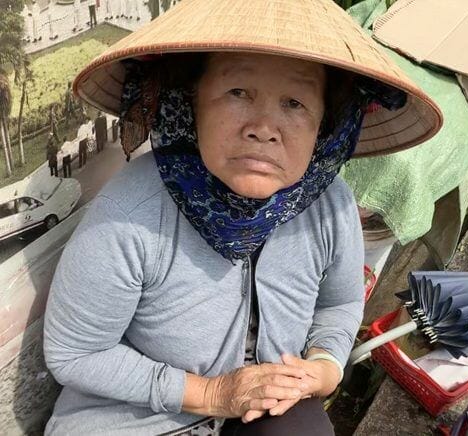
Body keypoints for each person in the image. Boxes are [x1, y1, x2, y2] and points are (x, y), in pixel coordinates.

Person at [43, 0, 442, 435]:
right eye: (238, 93)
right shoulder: (132, 213)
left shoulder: (331, 205)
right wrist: (212, 394)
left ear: (325, 123)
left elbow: (339, 303)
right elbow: (75, 353)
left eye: (294, 103)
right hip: (138, 419)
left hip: (259, 411)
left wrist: (325, 367)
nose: (264, 127)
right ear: (191, 101)